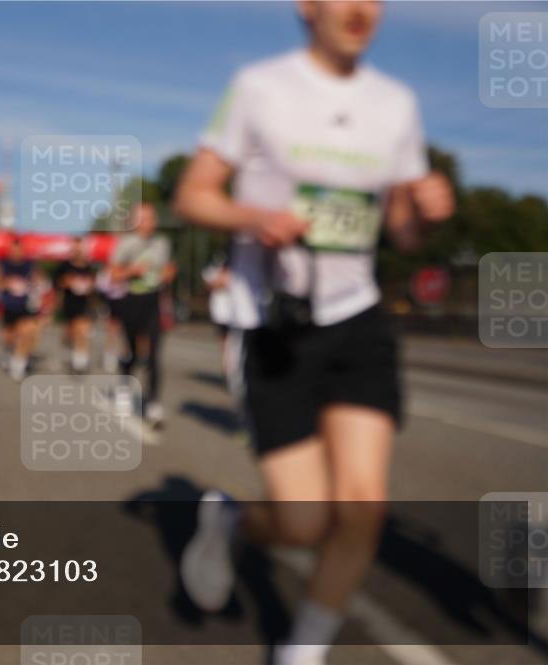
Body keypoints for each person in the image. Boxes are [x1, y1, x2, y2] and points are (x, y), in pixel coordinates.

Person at [174, 3, 454, 664]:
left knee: (362, 504)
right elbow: (193, 195)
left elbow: (403, 230)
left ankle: (302, 652)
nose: (361, 10)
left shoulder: (396, 104)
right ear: (307, 6)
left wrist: (430, 214)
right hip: (274, 323)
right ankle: (232, 521)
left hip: (357, 318)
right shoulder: (260, 87)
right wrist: (254, 216)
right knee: (303, 521)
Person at [109, 203, 175, 427]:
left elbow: (167, 267)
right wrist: (132, 271)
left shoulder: (162, 243)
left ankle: (153, 403)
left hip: (153, 300)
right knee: (132, 351)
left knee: (155, 352)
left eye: (152, 217)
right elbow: (114, 274)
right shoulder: (125, 244)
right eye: (144, 218)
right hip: (131, 300)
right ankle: (125, 388)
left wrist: (168, 273)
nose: (150, 222)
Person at [0, 236, 39, 382]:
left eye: (19, 249)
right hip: (8, 306)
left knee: (28, 332)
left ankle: (18, 365)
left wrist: (35, 284)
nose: (16, 253)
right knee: (9, 338)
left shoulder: (29, 264)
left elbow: (36, 280)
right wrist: (6, 283)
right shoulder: (3, 264)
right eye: (13, 250)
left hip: (25, 306)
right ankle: (8, 352)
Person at [54, 237, 98, 373]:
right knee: (71, 332)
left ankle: (80, 361)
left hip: (84, 304)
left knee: (82, 330)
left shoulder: (90, 266)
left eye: (80, 247)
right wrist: (68, 282)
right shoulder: (64, 266)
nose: (78, 250)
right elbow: (58, 283)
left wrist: (89, 286)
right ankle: (71, 351)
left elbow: (94, 284)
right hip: (69, 303)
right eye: (76, 247)